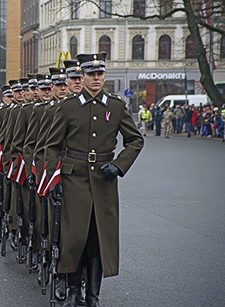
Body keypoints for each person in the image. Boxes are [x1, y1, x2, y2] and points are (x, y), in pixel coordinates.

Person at [44, 52, 144, 307]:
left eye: (100, 74)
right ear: (83, 76)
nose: (96, 78)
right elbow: (52, 147)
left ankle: (93, 296)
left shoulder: (115, 105)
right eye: (91, 74)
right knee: (75, 237)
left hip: (103, 179)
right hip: (74, 179)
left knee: (98, 239)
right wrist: (53, 179)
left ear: (104, 76)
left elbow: (135, 140)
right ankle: (74, 290)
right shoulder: (68, 107)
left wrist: (119, 165)